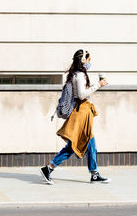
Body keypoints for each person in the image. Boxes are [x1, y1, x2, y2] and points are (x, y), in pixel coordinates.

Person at [40, 49, 110, 185]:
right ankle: (49, 168)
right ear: (83, 61)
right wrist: (98, 85)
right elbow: (82, 94)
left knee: (84, 145)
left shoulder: (78, 74)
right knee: (77, 145)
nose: (90, 63)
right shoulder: (80, 76)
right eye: (89, 60)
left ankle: (93, 173)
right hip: (81, 113)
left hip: (83, 112)